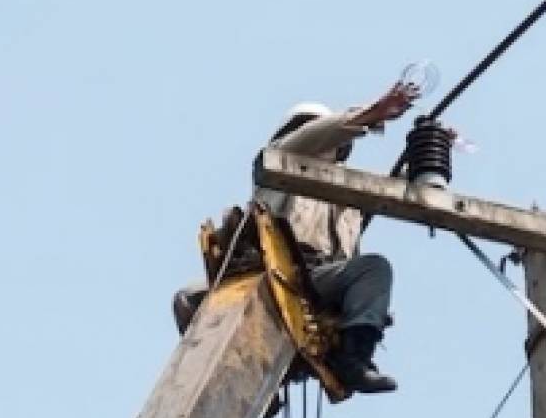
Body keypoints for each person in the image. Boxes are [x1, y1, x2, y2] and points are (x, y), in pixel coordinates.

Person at [173, 84, 420, 393]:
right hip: (274, 271)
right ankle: (223, 375)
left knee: (373, 269)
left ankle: (353, 361)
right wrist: (372, 114)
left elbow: (393, 191)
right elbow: (316, 135)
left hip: (319, 281)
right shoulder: (281, 159)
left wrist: (428, 153)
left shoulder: (348, 197)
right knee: (189, 298)